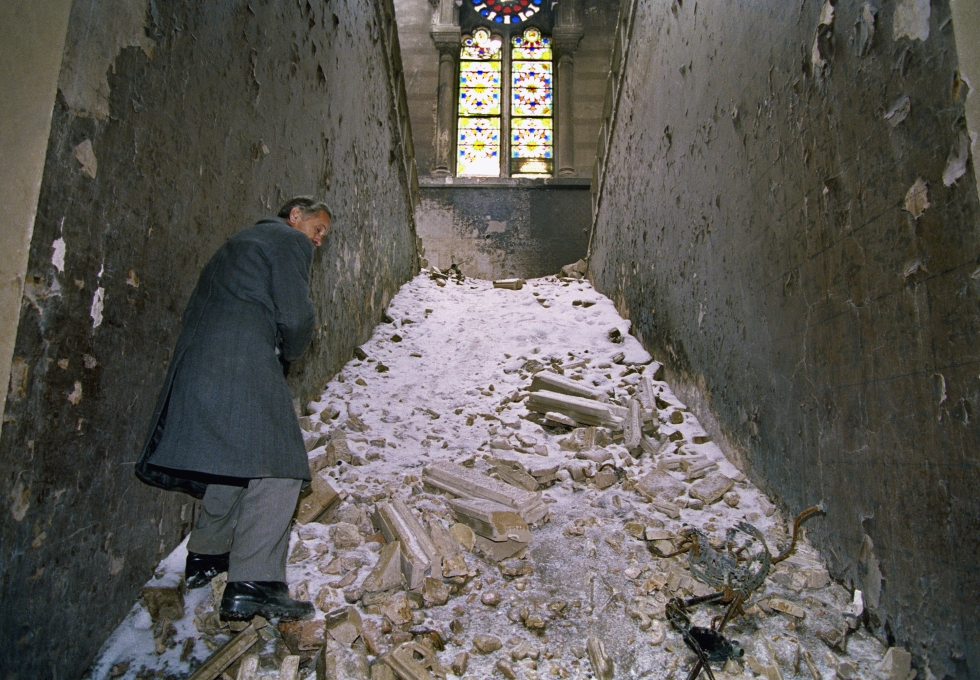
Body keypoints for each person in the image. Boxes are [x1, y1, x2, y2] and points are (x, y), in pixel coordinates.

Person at [135, 197, 331, 621]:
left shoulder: (240, 241)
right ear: (295, 215)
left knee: (235, 456)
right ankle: (255, 584)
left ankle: (207, 556)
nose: (317, 241)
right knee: (282, 464)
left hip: (199, 355)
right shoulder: (285, 239)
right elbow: (297, 317)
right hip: (241, 354)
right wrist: (290, 355)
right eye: (318, 229)